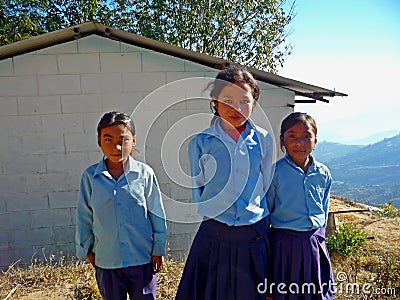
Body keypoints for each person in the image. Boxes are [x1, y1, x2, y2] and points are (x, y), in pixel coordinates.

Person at [176, 65, 274, 300]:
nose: (236, 108)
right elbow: (198, 186)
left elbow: (266, 183)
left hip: (252, 234)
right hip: (214, 233)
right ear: (215, 100)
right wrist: (210, 212)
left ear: (254, 102)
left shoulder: (263, 139)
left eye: (244, 101)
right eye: (227, 99)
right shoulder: (201, 142)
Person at [75, 111, 167, 300]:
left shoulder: (144, 174)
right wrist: (88, 250)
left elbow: (156, 213)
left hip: (141, 259)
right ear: (99, 141)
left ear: (133, 141)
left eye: (123, 139)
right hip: (107, 261)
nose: (116, 146)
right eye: (108, 139)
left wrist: (159, 249)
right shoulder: (91, 178)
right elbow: (84, 216)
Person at [267, 112, 334, 299]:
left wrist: (319, 238)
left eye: (307, 136)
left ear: (315, 140)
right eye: (292, 136)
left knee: (315, 293)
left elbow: (324, 208)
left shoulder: (323, 173)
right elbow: (267, 210)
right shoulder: (275, 172)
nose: (300, 142)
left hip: (314, 244)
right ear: (282, 140)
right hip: (284, 246)